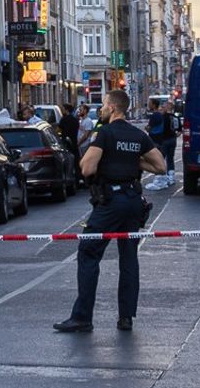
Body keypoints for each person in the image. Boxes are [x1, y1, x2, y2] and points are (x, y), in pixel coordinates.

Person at [55, 90, 166, 334]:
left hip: (110, 202)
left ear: (113, 108)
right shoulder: (138, 135)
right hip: (133, 202)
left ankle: (82, 317)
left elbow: (86, 168)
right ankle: (126, 317)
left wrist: (103, 158)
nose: (101, 110)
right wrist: (135, 161)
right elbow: (160, 166)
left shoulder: (104, 133)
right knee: (128, 258)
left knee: (88, 252)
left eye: (104, 105)